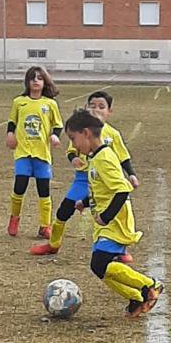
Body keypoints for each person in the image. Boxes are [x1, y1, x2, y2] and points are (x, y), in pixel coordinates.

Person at [64, 108, 163, 318]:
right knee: (100, 267)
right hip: (106, 222)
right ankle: (136, 297)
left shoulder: (105, 158)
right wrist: (85, 202)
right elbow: (102, 189)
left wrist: (106, 216)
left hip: (115, 220)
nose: (74, 145)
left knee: (100, 264)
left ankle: (149, 286)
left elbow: (122, 190)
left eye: (73, 139)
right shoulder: (95, 157)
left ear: (86, 133)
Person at [30, 89, 139, 258]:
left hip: (104, 181)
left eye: (101, 106)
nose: (96, 109)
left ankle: (121, 250)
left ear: (109, 111)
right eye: (92, 105)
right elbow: (71, 150)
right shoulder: (80, 131)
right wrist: (73, 158)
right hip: (83, 179)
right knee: (64, 211)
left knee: (115, 212)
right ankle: (53, 244)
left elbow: (123, 156)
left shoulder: (112, 134)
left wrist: (131, 174)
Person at [6, 66, 62, 239]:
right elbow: (12, 122)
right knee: (19, 187)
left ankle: (45, 226)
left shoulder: (50, 104)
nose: (36, 81)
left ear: (45, 82)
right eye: (32, 78)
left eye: (39, 78)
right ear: (27, 82)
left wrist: (55, 135)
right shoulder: (19, 102)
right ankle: (14, 218)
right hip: (23, 153)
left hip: (42, 154)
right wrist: (10, 134)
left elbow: (58, 125)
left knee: (43, 191)